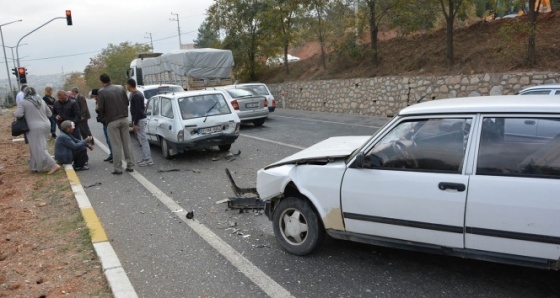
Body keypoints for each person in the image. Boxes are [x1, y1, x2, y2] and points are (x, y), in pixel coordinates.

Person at [13, 86, 61, 174]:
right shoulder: (41, 101)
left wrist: (15, 113)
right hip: (46, 125)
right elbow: (49, 113)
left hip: (34, 127)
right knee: (35, 146)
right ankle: (34, 166)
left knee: (38, 148)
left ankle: (53, 165)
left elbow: (18, 114)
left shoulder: (24, 102)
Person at [97, 73, 134, 175]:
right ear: (110, 79)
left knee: (116, 145)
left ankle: (118, 168)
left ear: (102, 82)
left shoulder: (102, 92)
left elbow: (100, 108)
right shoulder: (120, 88)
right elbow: (127, 102)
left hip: (112, 121)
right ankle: (130, 165)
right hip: (124, 118)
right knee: (127, 143)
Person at [126, 78, 153, 166]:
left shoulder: (136, 95)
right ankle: (146, 157)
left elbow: (137, 111)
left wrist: (135, 123)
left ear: (129, 85)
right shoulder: (136, 94)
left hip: (140, 119)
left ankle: (148, 159)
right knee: (142, 140)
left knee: (143, 140)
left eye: (127, 85)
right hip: (140, 119)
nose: (126, 87)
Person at [92, 88, 113, 162]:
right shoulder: (98, 101)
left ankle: (114, 155)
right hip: (104, 122)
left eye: (95, 96)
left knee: (110, 139)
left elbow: (104, 110)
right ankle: (111, 154)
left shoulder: (103, 101)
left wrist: (98, 109)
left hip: (107, 121)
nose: (94, 98)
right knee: (107, 139)